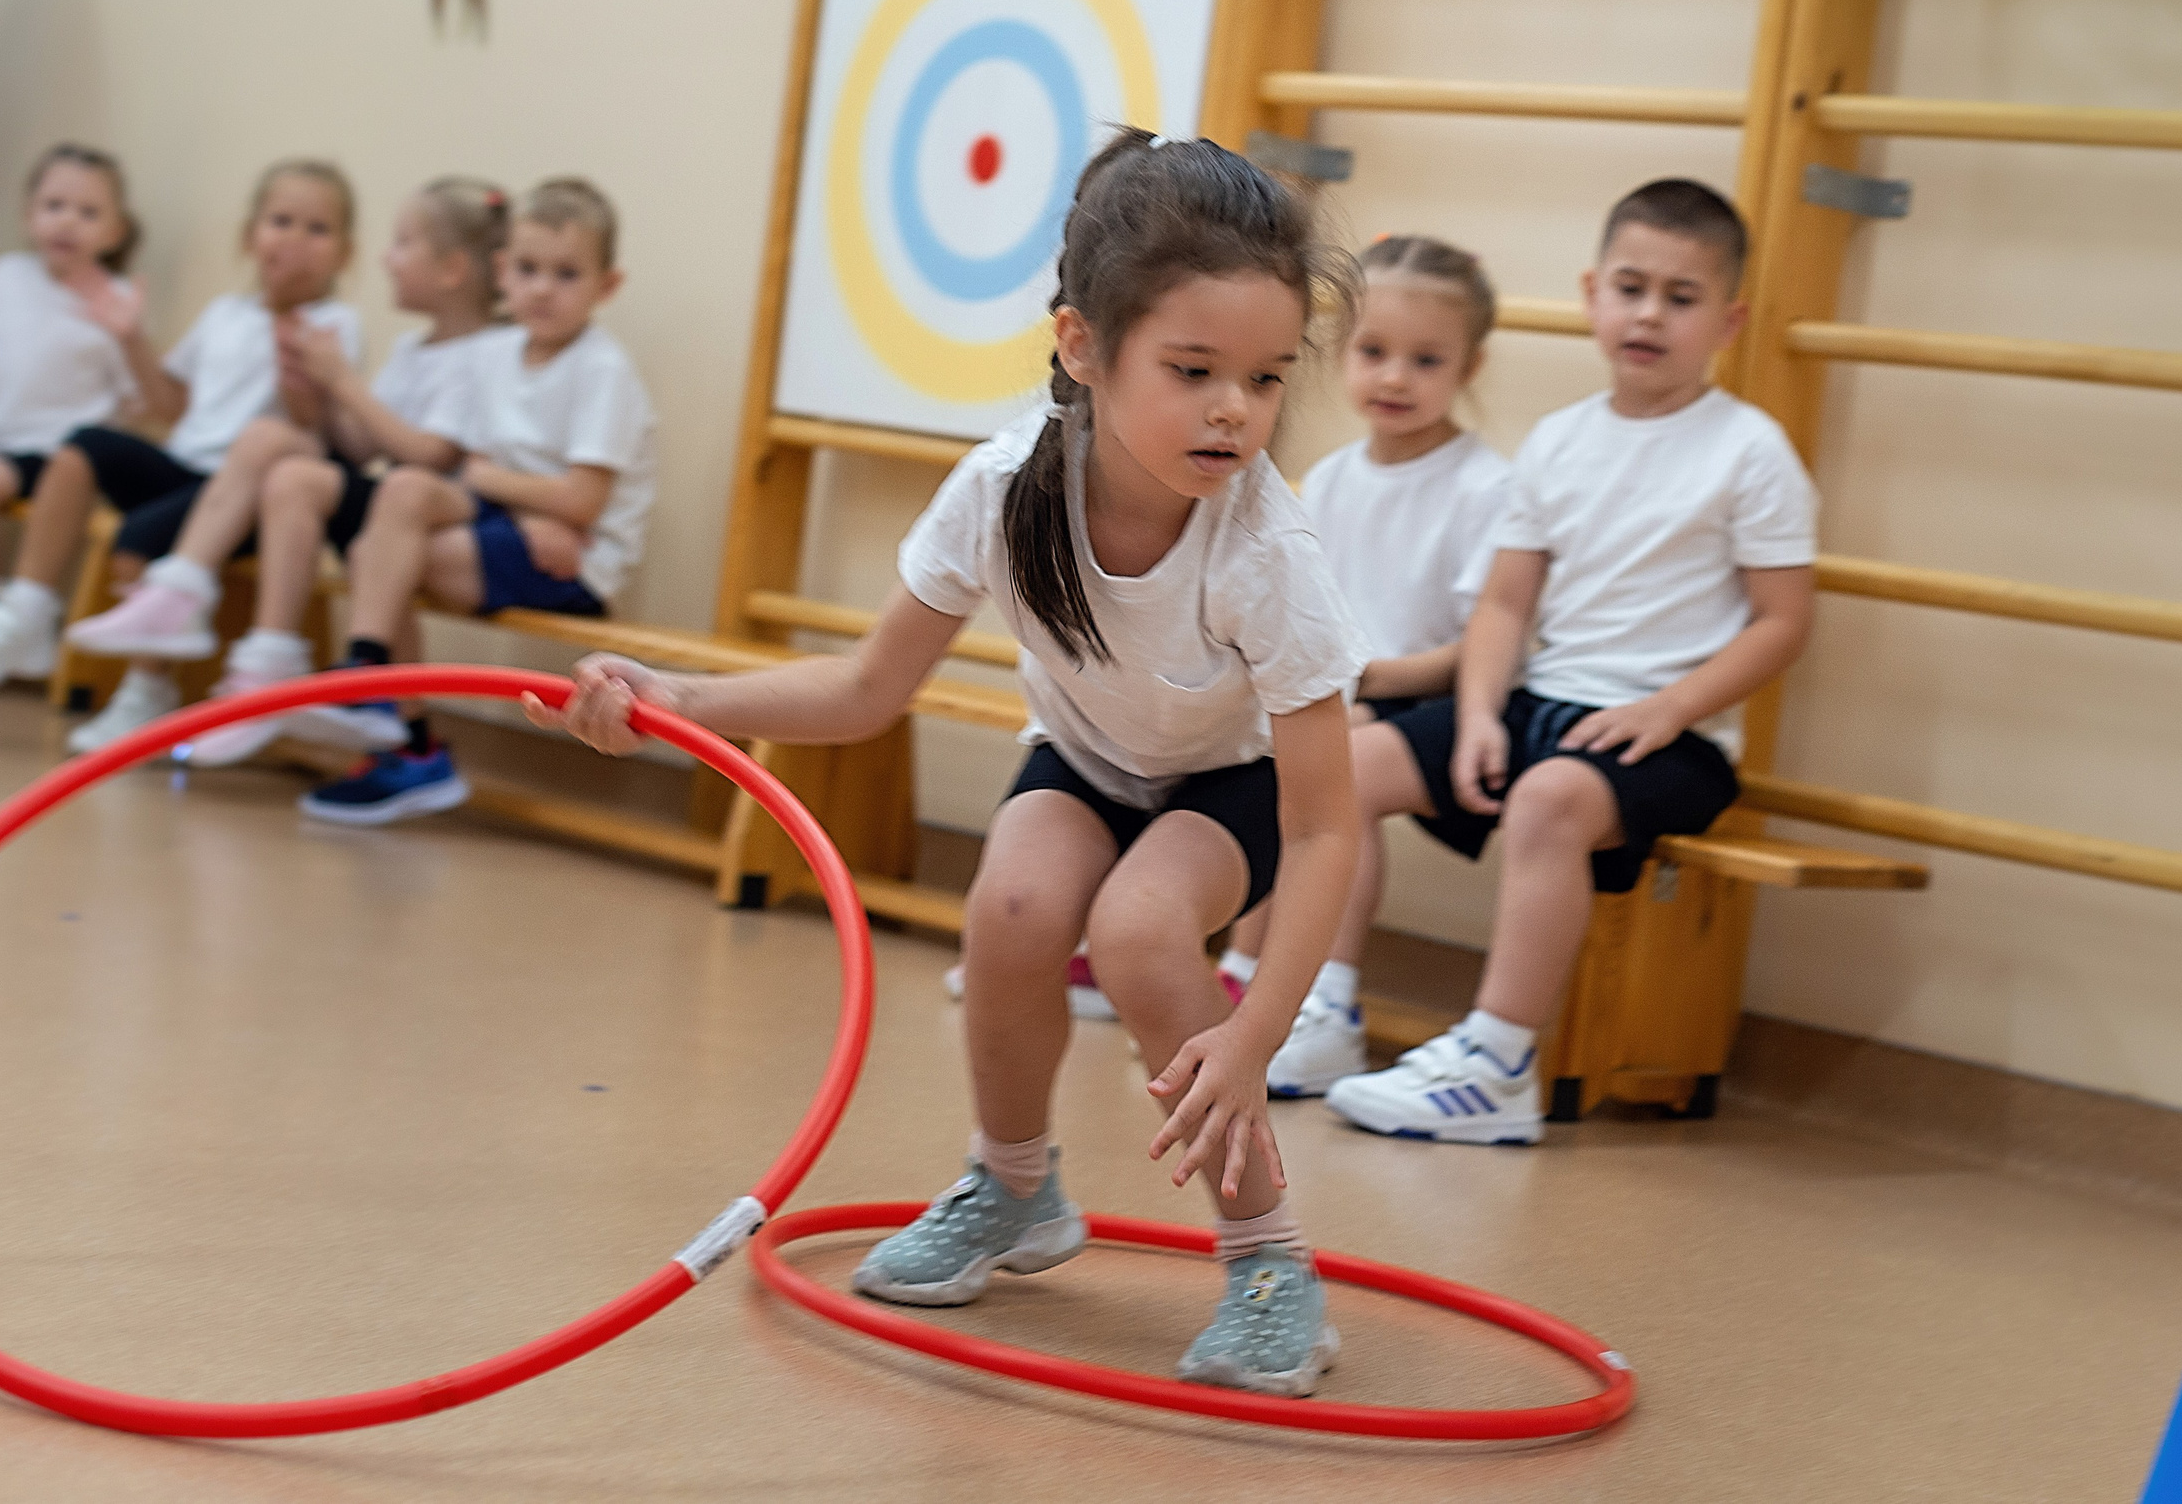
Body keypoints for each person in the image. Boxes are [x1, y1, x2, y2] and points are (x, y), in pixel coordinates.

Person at [528, 132, 1366, 1397]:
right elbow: (867, 691)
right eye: (1193, 371)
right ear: (1082, 347)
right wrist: (677, 700)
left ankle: (1268, 1260)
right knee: (1013, 907)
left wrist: (1255, 1032)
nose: (1234, 410)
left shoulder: (1267, 554)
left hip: (1229, 783)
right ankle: (1015, 1187)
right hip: (1085, 757)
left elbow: (1324, 831)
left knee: (1141, 932)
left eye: (1265, 378)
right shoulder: (1002, 489)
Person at [1319, 179, 1817, 1145]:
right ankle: (1321, 1011)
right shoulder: (1558, 440)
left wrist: (1670, 709)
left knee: (1548, 799)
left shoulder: (1750, 451)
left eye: (1681, 297)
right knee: (1343, 762)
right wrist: (1476, 714)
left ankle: (1497, 1063)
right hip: (1542, 704)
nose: (1649, 314)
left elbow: (1782, 623)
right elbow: (1506, 602)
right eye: (1631, 288)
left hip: (1671, 740)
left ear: (1728, 321)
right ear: (1593, 294)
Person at [65, 177, 512, 768]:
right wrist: (313, 389)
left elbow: (429, 456)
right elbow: (359, 446)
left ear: (452, 269)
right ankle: (228, 625)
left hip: (426, 515)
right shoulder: (411, 349)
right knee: (272, 447)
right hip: (389, 500)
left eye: (403, 243)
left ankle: (242, 644)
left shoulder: (486, 354)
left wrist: (339, 383)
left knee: (285, 463)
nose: (388, 257)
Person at [1218, 233, 1511, 1097]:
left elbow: (1486, 641)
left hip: (1435, 701)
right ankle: (1242, 977)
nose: (1395, 376)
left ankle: (1327, 1006)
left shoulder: (1485, 485)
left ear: (1470, 365)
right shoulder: (1332, 478)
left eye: (1426, 359)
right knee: (1249, 749)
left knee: (1328, 766)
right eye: (1373, 351)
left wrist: (1367, 682)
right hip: (1347, 692)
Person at [0, 158, 358, 750]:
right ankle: (28, 612)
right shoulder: (225, 313)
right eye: (281, 221)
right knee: (84, 446)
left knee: (138, 539)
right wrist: (131, 338)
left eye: (317, 229)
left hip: (244, 495)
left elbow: (316, 427)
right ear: (250, 237)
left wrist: (298, 367)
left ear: (344, 253)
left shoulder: (334, 324)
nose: (294, 239)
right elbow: (171, 405)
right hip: (186, 466)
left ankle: (146, 691)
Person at [291, 177, 654, 825]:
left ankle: (407, 739)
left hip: (576, 560)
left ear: (608, 286)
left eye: (567, 274)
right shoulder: (492, 353)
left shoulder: (602, 370)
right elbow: (467, 472)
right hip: (515, 526)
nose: (542, 288)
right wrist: (509, 496)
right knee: (402, 492)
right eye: (527, 269)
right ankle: (369, 673)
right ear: (501, 271)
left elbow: (580, 502)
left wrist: (496, 486)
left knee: (382, 556)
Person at [0, 146, 143, 631]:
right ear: (29, 214)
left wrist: (130, 339)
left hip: (51, 454)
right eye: (54, 206)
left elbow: (135, 398)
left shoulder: (114, 300)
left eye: (88, 212)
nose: (67, 221)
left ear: (114, 232)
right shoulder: (6, 274)